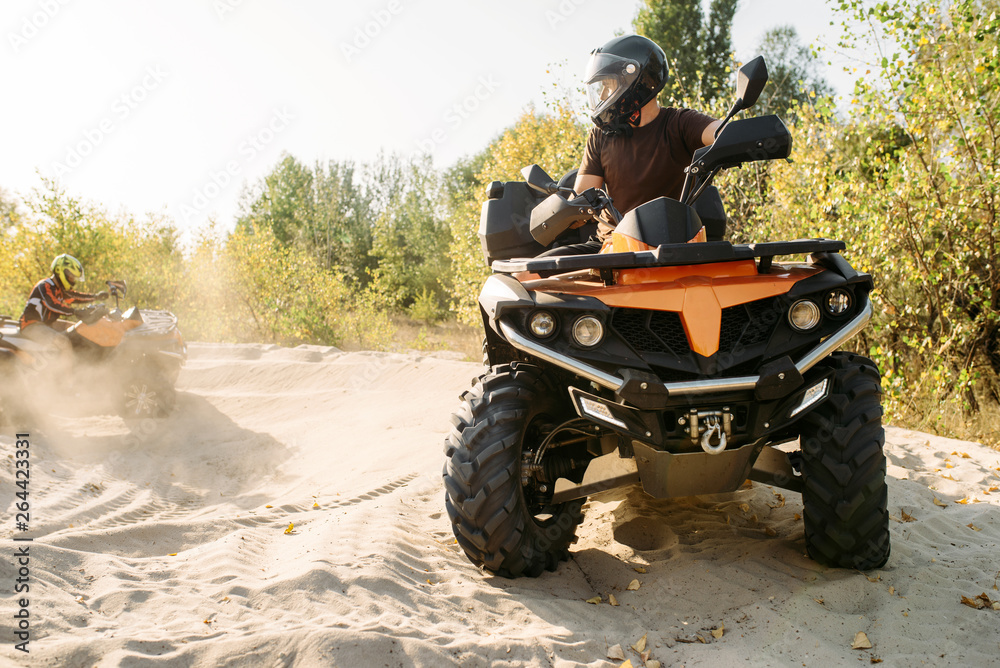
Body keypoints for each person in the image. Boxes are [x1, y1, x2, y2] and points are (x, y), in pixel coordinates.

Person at [546, 34, 722, 255]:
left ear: (633, 81)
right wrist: (560, 212)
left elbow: (722, 132)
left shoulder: (679, 123)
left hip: (672, 244)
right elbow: (582, 197)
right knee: (527, 274)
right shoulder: (601, 136)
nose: (601, 95)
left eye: (607, 85)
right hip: (611, 244)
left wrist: (744, 136)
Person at [19, 254, 108, 352]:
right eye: (71, 277)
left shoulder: (59, 289)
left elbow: (74, 297)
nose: (72, 280)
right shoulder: (45, 286)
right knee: (63, 342)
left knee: (78, 330)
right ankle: (66, 367)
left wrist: (95, 297)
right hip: (32, 325)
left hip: (47, 324)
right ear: (61, 272)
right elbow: (52, 304)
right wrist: (75, 312)